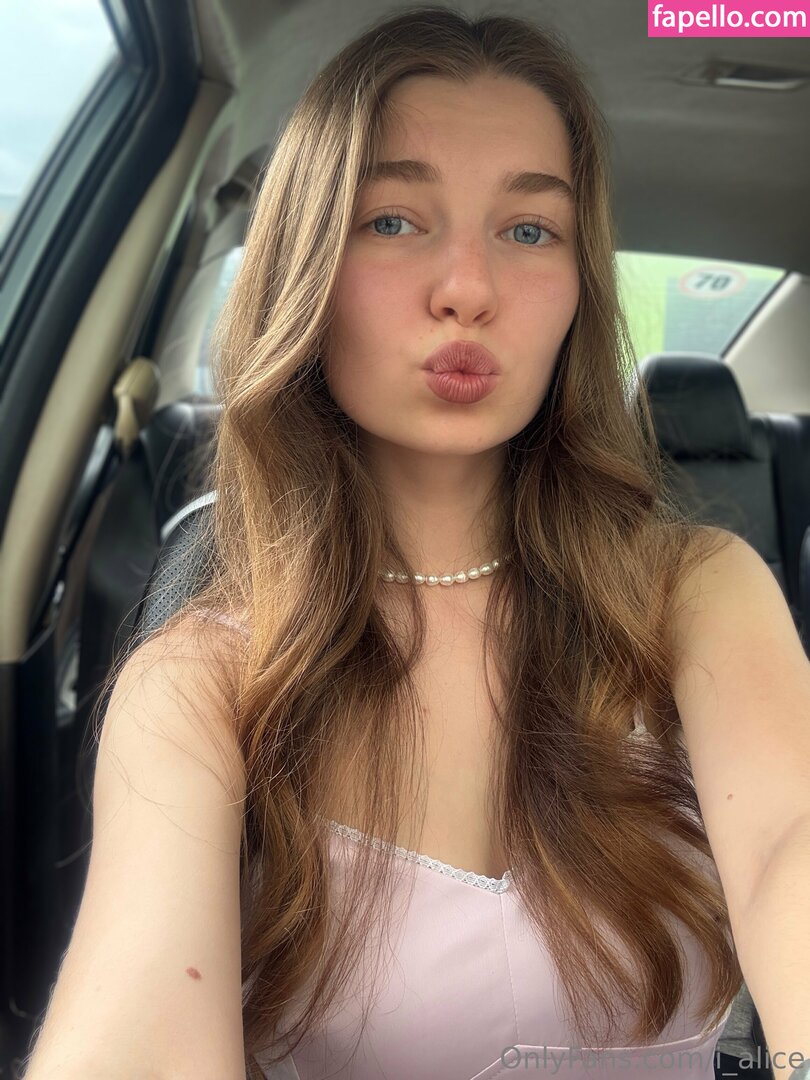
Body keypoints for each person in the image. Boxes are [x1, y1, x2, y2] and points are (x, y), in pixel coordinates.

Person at [24, 7, 810, 1080]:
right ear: (305, 265)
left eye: (529, 230)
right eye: (394, 220)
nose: (469, 289)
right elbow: (140, 1027)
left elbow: (788, 845)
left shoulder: (696, 593)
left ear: (579, 288)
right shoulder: (200, 684)